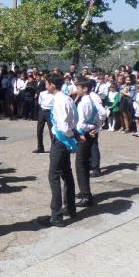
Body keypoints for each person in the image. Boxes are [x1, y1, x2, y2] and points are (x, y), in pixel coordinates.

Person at [38, 76, 77, 228]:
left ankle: (56, 216)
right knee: (66, 172)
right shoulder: (66, 98)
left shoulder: (60, 100)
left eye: (47, 84)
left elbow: (63, 125)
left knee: (53, 175)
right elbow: (73, 120)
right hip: (66, 140)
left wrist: (67, 135)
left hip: (61, 140)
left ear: (53, 85)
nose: (45, 86)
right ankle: (70, 208)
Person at [74, 80, 102, 207]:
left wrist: (90, 128)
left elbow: (81, 124)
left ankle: (86, 195)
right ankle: (84, 190)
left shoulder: (83, 103)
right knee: (84, 164)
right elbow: (100, 117)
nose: (77, 90)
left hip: (83, 135)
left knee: (81, 164)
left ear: (85, 89)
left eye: (78, 88)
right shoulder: (92, 100)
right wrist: (95, 128)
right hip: (89, 134)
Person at [33, 88, 54, 153]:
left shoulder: (54, 94)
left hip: (50, 111)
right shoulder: (42, 93)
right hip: (42, 111)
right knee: (39, 130)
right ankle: (40, 147)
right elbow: (39, 102)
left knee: (52, 130)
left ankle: (53, 148)